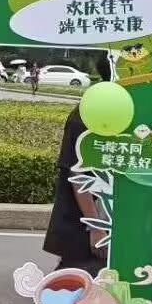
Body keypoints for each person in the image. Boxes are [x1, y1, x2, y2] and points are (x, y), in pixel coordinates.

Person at [44, 105, 108, 273]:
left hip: (111, 219)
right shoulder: (83, 115)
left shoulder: (133, 110)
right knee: (81, 275)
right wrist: (95, 227)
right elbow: (77, 175)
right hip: (83, 222)